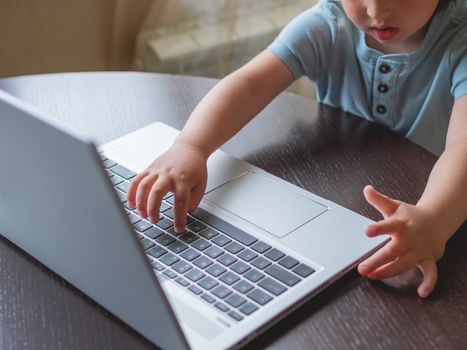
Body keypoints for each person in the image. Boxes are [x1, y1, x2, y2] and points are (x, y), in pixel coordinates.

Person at [127, 0, 467, 298]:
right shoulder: (329, 24)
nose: (376, 10)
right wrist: (191, 145)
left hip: (441, 202)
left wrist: (435, 219)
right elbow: (248, 86)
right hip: (337, 211)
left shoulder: (460, 40)